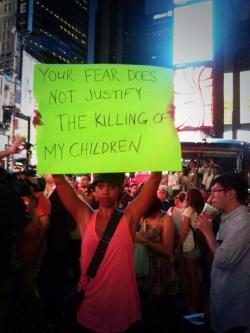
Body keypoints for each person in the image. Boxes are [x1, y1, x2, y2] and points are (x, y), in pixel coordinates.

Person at [196, 174, 250, 333]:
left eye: (215, 191)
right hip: (221, 296)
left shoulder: (244, 222)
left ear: (231, 194)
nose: (211, 197)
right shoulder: (226, 218)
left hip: (236, 305)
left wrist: (208, 233)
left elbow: (224, 260)